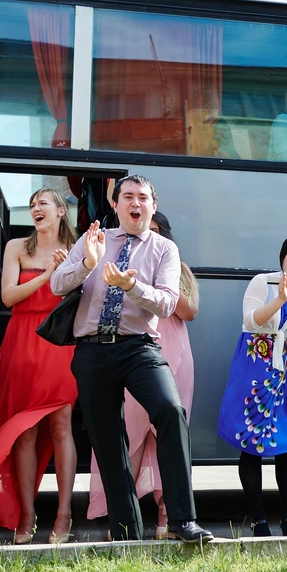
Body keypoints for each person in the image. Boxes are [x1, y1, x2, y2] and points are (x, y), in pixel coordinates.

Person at [51, 174, 213, 543]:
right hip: (92, 349)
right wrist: (87, 263)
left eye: (142, 197)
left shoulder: (164, 249)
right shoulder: (93, 239)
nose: (135, 203)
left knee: (170, 410)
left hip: (139, 346)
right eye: (127, 197)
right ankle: (126, 533)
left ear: (153, 206)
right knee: (108, 439)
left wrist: (131, 286)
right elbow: (57, 284)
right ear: (116, 204)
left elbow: (168, 303)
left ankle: (182, 520)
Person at [87, 211, 199, 536]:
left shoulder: (177, 266)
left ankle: (169, 517)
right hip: (135, 355)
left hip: (176, 359)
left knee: (169, 432)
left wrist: (156, 281)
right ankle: (124, 520)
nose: (147, 236)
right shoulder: (117, 265)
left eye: (155, 231)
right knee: (132, 435)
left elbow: (190, 311)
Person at [217, 232, 287, 536]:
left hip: (285, 372)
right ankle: (259, 520)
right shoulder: (263, 282)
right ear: (283, 256)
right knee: (251, 443)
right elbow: (251, 321)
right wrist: (279, 300)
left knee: (285, 444)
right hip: (253, 365)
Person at [0, 188, 79, 545]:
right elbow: (8, 296)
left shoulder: (76, 249)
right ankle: (26, 514)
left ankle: (64, 513)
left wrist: (67, 268)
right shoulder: (17, 247)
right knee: (23, 431)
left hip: (59, 344)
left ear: (60, 212)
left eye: (43, 204)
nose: (36, 208)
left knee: (61, 426)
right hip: (22, 342)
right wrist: (47, 274)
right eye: (33, 204)